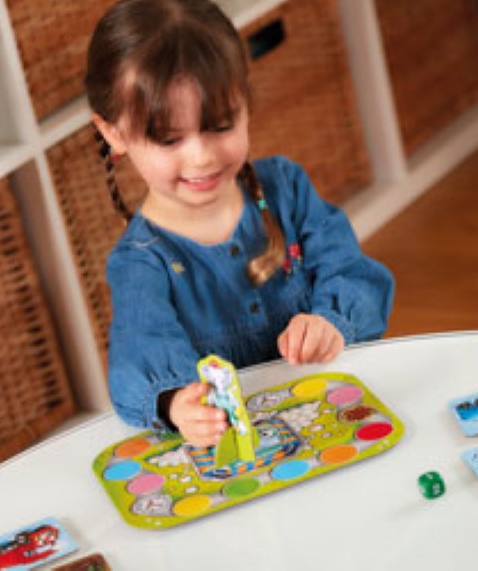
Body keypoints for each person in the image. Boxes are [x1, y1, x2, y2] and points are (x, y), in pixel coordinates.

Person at [85, 0, 394, 447]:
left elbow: (352, 272)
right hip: (244, 458)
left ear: (245, 104)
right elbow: (139, 357)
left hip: (333, 418)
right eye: (170, 139)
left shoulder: (285, 187)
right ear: (113, 133)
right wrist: (177, 404)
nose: (202, 156)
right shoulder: (141, 263)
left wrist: (331, 323)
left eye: (220, 126)